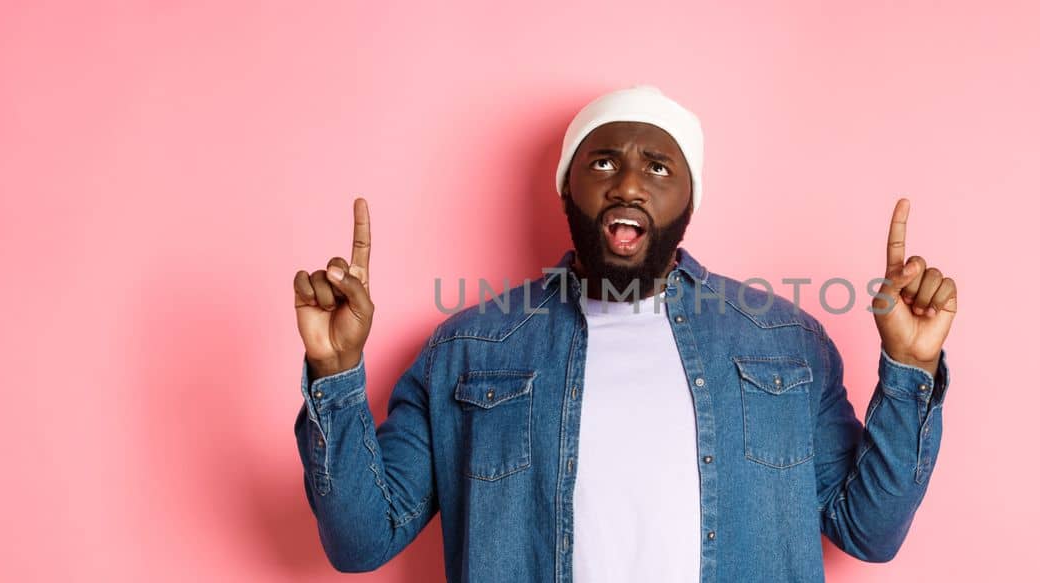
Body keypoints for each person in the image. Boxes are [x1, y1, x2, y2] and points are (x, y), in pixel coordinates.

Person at [290, 85, 958, 582]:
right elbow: (360, 540)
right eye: (603, 162)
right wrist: (335, 372)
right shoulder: (466, 349)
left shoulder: (786, 342)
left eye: (659, 167)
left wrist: (909, 368)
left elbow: (868, 533)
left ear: (689, 201)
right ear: (566, 188)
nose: (629, 182)